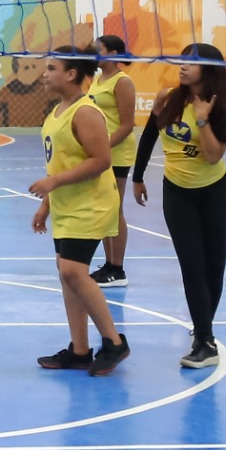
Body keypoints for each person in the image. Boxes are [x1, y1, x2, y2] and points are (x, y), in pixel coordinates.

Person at [131, 43, 226, 370]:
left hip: (214, 193)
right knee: (191, 265)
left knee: (213, 267)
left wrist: (203, 121)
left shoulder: (218, 106)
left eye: (191, 63)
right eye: (182, 60)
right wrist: (137, 177)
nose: (182, 66)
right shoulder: (167, 98)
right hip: (177, 193)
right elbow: (149, 136)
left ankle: (203, 326)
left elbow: (212, 156)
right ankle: (204, 341)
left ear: (207, 69)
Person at [30, 49, 130, 374]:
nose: (45, 74)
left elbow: (101, 160)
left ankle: (114, 342)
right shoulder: (58, 111)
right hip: (66, 205)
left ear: (71, 74)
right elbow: (58, 161)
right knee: (67, 274)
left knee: (73, 272)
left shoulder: (86, 112)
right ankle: (80, 350)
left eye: (51, 68)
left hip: (91, 205)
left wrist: (53, 181)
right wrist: (46, 204)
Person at [89, 35, 139, 286]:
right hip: (100, 153)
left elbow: (127, 124)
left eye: (99, 50)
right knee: (103, 209)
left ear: (114, 53)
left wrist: (102, 148)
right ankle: (108, 264)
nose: (94, 53)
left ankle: (118, 269)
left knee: (115, 209)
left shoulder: (122, 82)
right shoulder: (97, 80)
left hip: (116, 153)